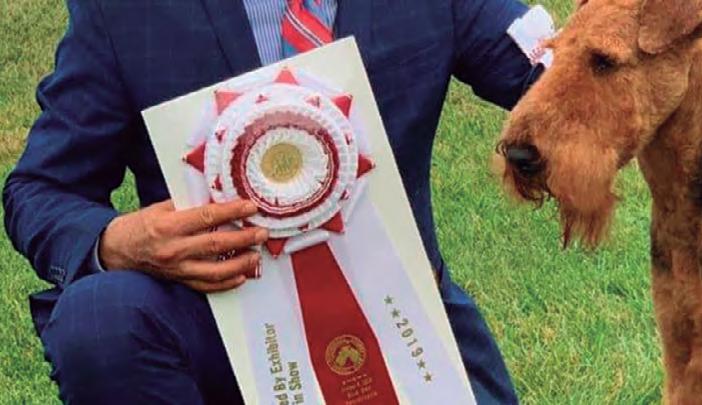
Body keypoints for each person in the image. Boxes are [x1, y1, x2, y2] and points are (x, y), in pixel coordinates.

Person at [2, 0, 547, 403]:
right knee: (97, 320)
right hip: (216, 329)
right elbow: (41, 189)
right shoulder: (122, 9)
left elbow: (558, 73)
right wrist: (118, 242)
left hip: (406, 328)